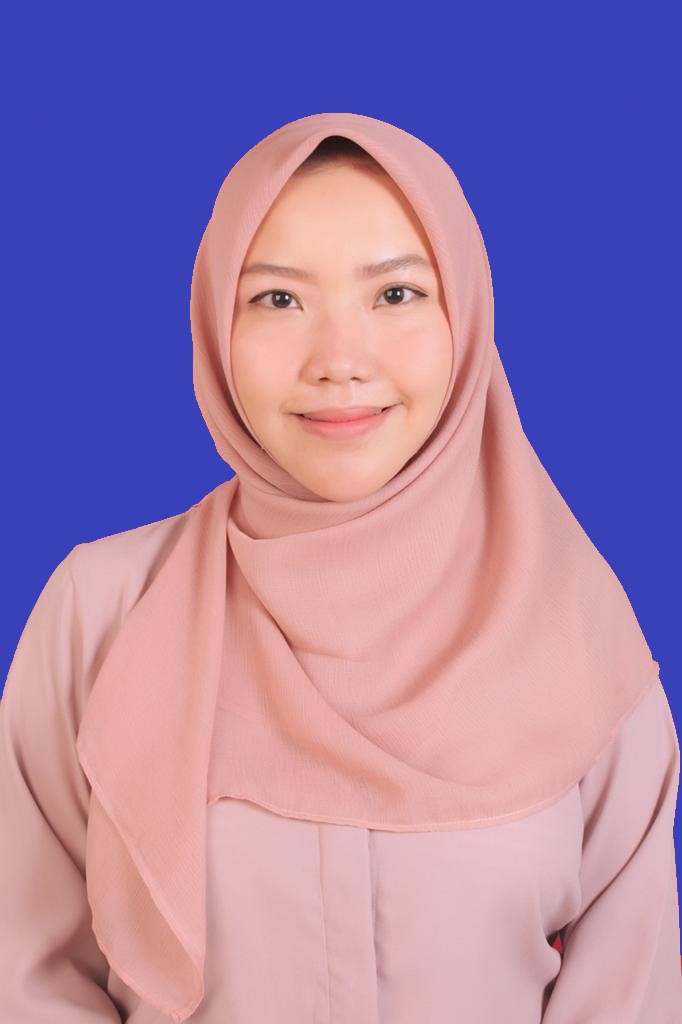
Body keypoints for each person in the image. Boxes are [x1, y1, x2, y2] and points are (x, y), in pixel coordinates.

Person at [1, 112, 680, 1023]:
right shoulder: (105, 609)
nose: (340, 362)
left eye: (396, 294)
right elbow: (26, 977)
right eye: (278, 299)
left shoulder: (579, 632)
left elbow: (629, 996)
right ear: (214, 324)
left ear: (466, 317)